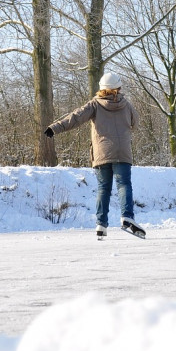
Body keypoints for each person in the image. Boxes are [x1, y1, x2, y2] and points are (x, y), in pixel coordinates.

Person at [44, 72, 142, 239]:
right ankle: (127, 217)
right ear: (118, 87)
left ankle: (101, 225)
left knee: (103, 189)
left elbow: (75, 117)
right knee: (124, 185)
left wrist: (55, 128)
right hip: (123, 152)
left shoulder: (95, 105)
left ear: (101, 88)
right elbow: (135, 123)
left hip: (102, 152)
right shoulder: (127, 105)